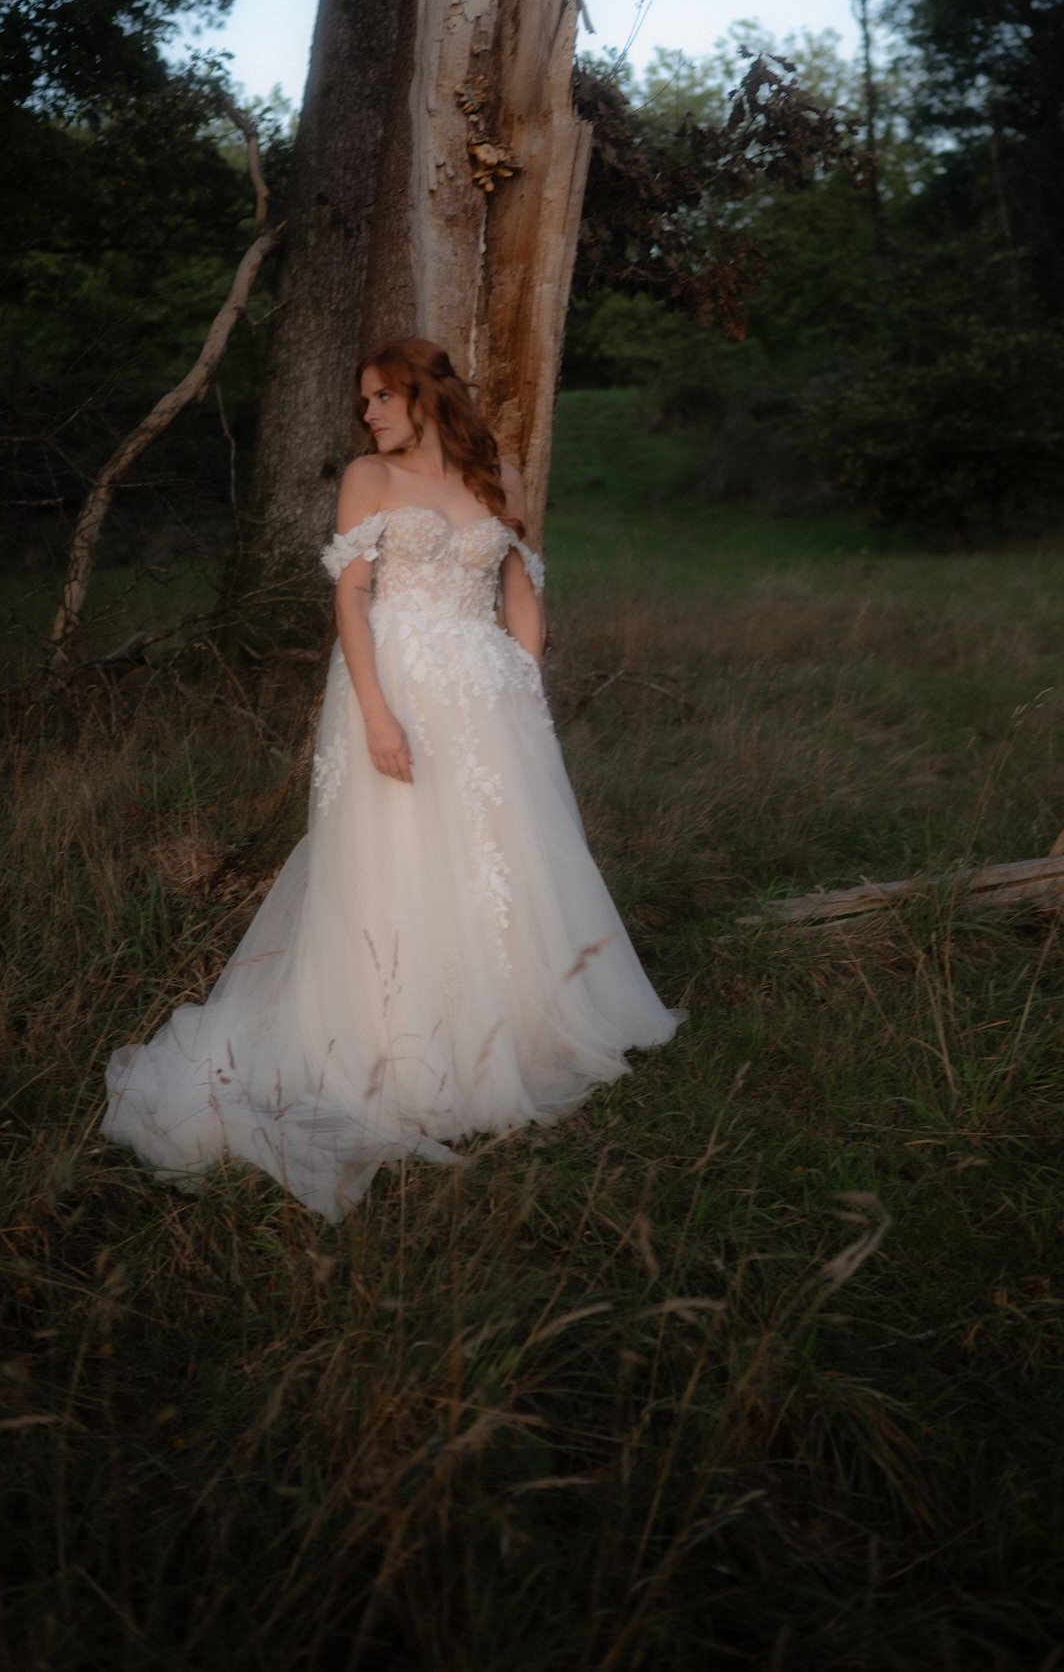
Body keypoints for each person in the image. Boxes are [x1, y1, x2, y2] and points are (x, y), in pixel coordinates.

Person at [101, 338, 681, 1220]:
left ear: (424, 396)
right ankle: (399, 1042)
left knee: (497, 856)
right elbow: (351, 599)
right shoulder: (369, 478)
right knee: (400, 856)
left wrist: (526, 688)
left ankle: (519, 1026)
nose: (368, 413)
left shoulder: (497, 477)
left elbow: (522, 589)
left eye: (381, 397)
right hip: (397, 681)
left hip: (489, 700)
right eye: (363, 399)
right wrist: (376, 713)